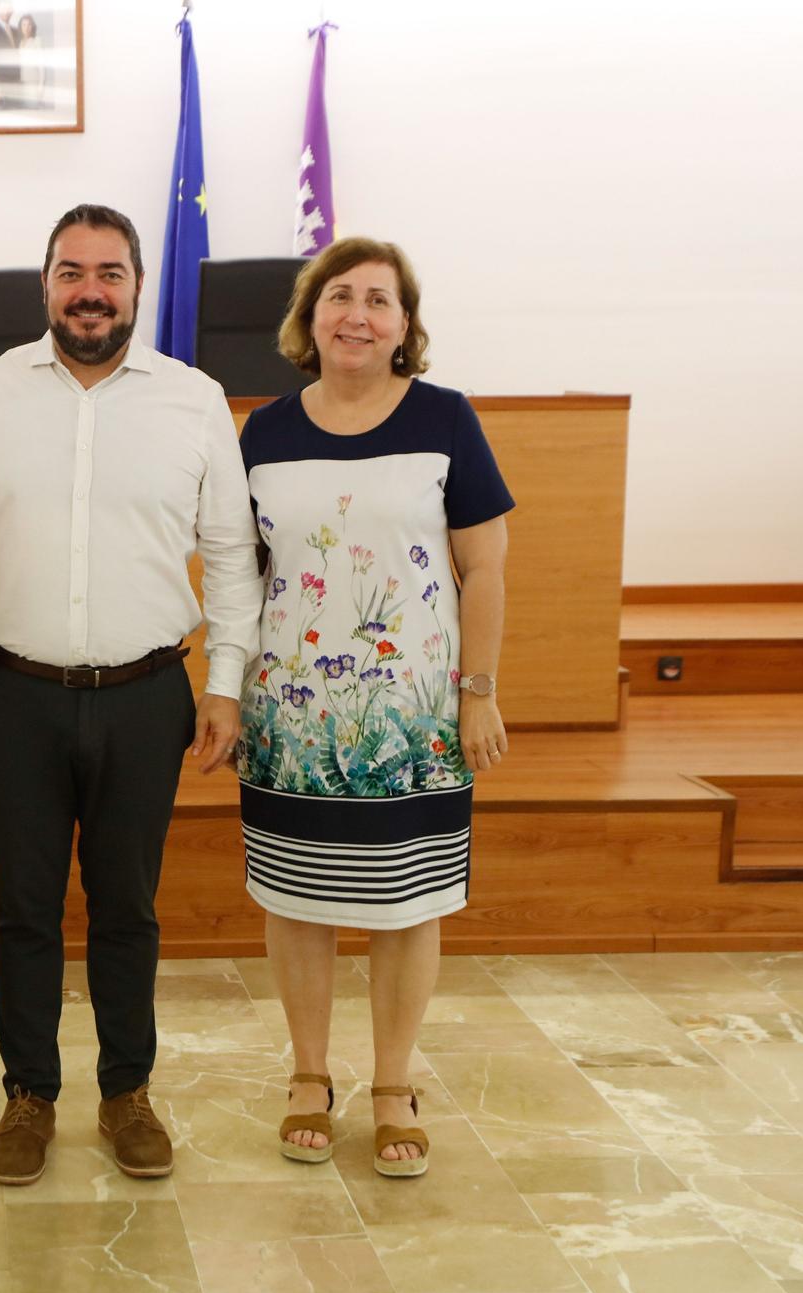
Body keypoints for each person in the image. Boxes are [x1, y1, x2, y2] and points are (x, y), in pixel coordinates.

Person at [0, 203, 262, 1185]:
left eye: (109, 273)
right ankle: (28, 1094)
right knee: (23, 909)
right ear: (43, 284)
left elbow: (227, 553)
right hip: (14, 694)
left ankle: (125, 1089)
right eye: (69, 271)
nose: (89, 290)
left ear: (137, 285)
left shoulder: (193, 398)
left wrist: (222, 685)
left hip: (145, 696)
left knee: (126, 906)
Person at [238, 237, 513, 1178]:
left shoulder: (446, 418)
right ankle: (309, 1075)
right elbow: (245, 574)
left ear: (405, 325)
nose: (357, 313)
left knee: (408, 903)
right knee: (299, 900)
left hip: (416, 717)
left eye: (378, 300)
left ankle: (392, 1083)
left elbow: (483, 567)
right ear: (309, 317)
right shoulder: (264, 431)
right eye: (338, 296)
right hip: (295, 718)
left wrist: (478, 691)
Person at [15, 14, 50, 108]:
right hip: (22, 83)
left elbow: (42, 66)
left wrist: (41, 86)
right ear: (20, 27)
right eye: (24, 25)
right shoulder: (20, 43)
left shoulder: (37, 41)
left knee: (33, 108)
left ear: (32, 27)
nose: (26, 28)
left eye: (29, 25)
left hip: (33, 83)